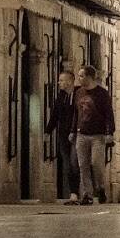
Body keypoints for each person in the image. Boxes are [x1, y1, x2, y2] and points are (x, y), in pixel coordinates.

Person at [71, 66, 114, 206]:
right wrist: (73, 131)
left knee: (96, 164)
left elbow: (109, 114)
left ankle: (100, 187)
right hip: (81, 133)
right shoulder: (78, 93)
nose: (79, 78)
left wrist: (109, 132)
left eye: (81, 76)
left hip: (98, 135)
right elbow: (76, 113)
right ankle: (87, 194)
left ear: (90, 77)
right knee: (82, 165)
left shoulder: (102, 94)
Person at [44, 70, 79, 203]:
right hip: (63, 136)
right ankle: (73, 194)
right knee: (68, 165)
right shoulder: (61, 96)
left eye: (61, 80)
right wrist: (48, 131)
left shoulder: (79, 94)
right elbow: (55, 115)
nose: (59, 83)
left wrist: (74, 130)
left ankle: (76, 192)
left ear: (69, 81)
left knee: (74, 163)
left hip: (76, 135)